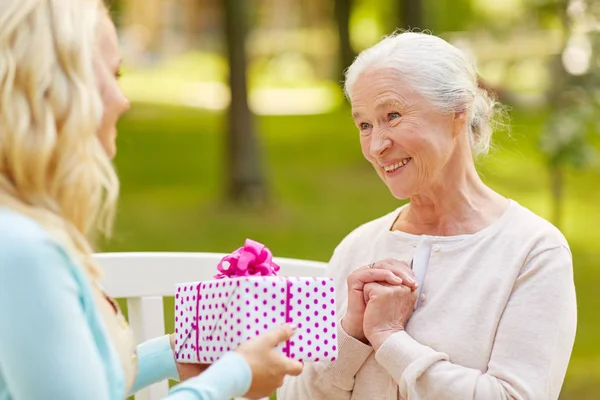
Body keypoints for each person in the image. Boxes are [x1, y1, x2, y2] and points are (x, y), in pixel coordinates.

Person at [0, 0, 302, 399]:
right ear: (58, 90)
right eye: (113, 74)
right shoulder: (24, 251)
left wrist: (171, 355)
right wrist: (234, 375)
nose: (122, 100)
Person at [278, 31, 577, 400]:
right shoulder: (356, 246)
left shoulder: (533, 252)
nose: (376, 146)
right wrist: (351, 333)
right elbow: (296, 395)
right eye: (365, 124)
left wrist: (389, 339)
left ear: (458, 111)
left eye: (393, 115)